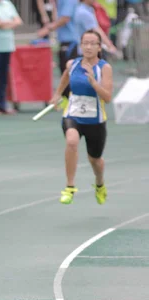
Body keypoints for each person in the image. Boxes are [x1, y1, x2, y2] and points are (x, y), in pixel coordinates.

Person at [50, 30, 113, 205]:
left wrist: (93, 82)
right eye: (85, 43)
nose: (88, 47)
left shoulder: (104, 68)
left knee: (95, 160)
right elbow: (64, 79)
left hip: (95, 120)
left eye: (93, 43)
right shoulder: (72, 64)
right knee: (71, 141)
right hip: (73, 114)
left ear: (99, 47)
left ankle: (100, 183)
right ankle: (69, 186)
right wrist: (57, 95)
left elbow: (107, 97)